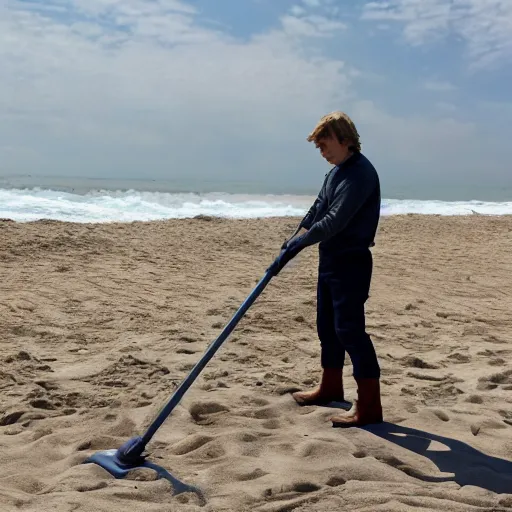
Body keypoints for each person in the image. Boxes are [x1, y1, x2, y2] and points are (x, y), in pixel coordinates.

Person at [268, 111, 383, 427]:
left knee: (350, 331)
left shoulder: (359, 173)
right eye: (317, 147)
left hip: (352, 261)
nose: (322, 151)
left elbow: (334, 221)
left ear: (345, 139)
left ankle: (370, 406)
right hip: (330, 259)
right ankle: (331, 387)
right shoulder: (335, 173)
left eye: (325, 144)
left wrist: (299, 245)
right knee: (327, 328)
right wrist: (290, 243)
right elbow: (315, 212)